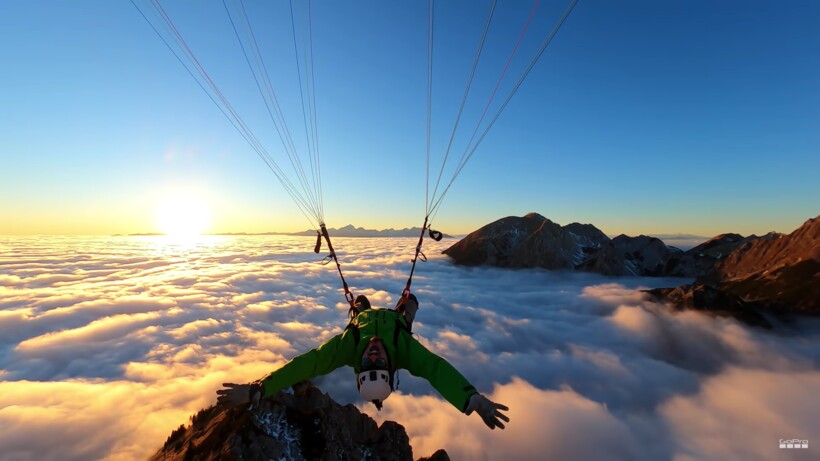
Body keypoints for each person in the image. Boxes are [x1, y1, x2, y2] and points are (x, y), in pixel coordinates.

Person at [217, 294, 510, 429]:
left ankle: (359, 308)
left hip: (364, 318)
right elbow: (436, 369)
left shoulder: (349, 347)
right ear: (389, 367)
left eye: (367, 364)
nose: (373, 355)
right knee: (412, 301)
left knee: (360, 301)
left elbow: (307, 364)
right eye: (379, 364)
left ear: (359, 368)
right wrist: (471, 399)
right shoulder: (405, 351)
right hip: (396, 322)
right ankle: (406, 313)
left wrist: (259, 388)